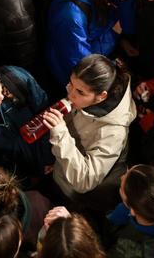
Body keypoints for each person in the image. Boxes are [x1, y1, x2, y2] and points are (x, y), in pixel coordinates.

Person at [44, 54, 137, 211]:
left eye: (80, 92)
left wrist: (59, 133)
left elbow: (84, 180)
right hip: (60, 175)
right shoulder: (83, 100)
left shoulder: (114, 132)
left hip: (75, 196)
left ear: (101, 97)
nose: (71, 94)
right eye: (71, 84)